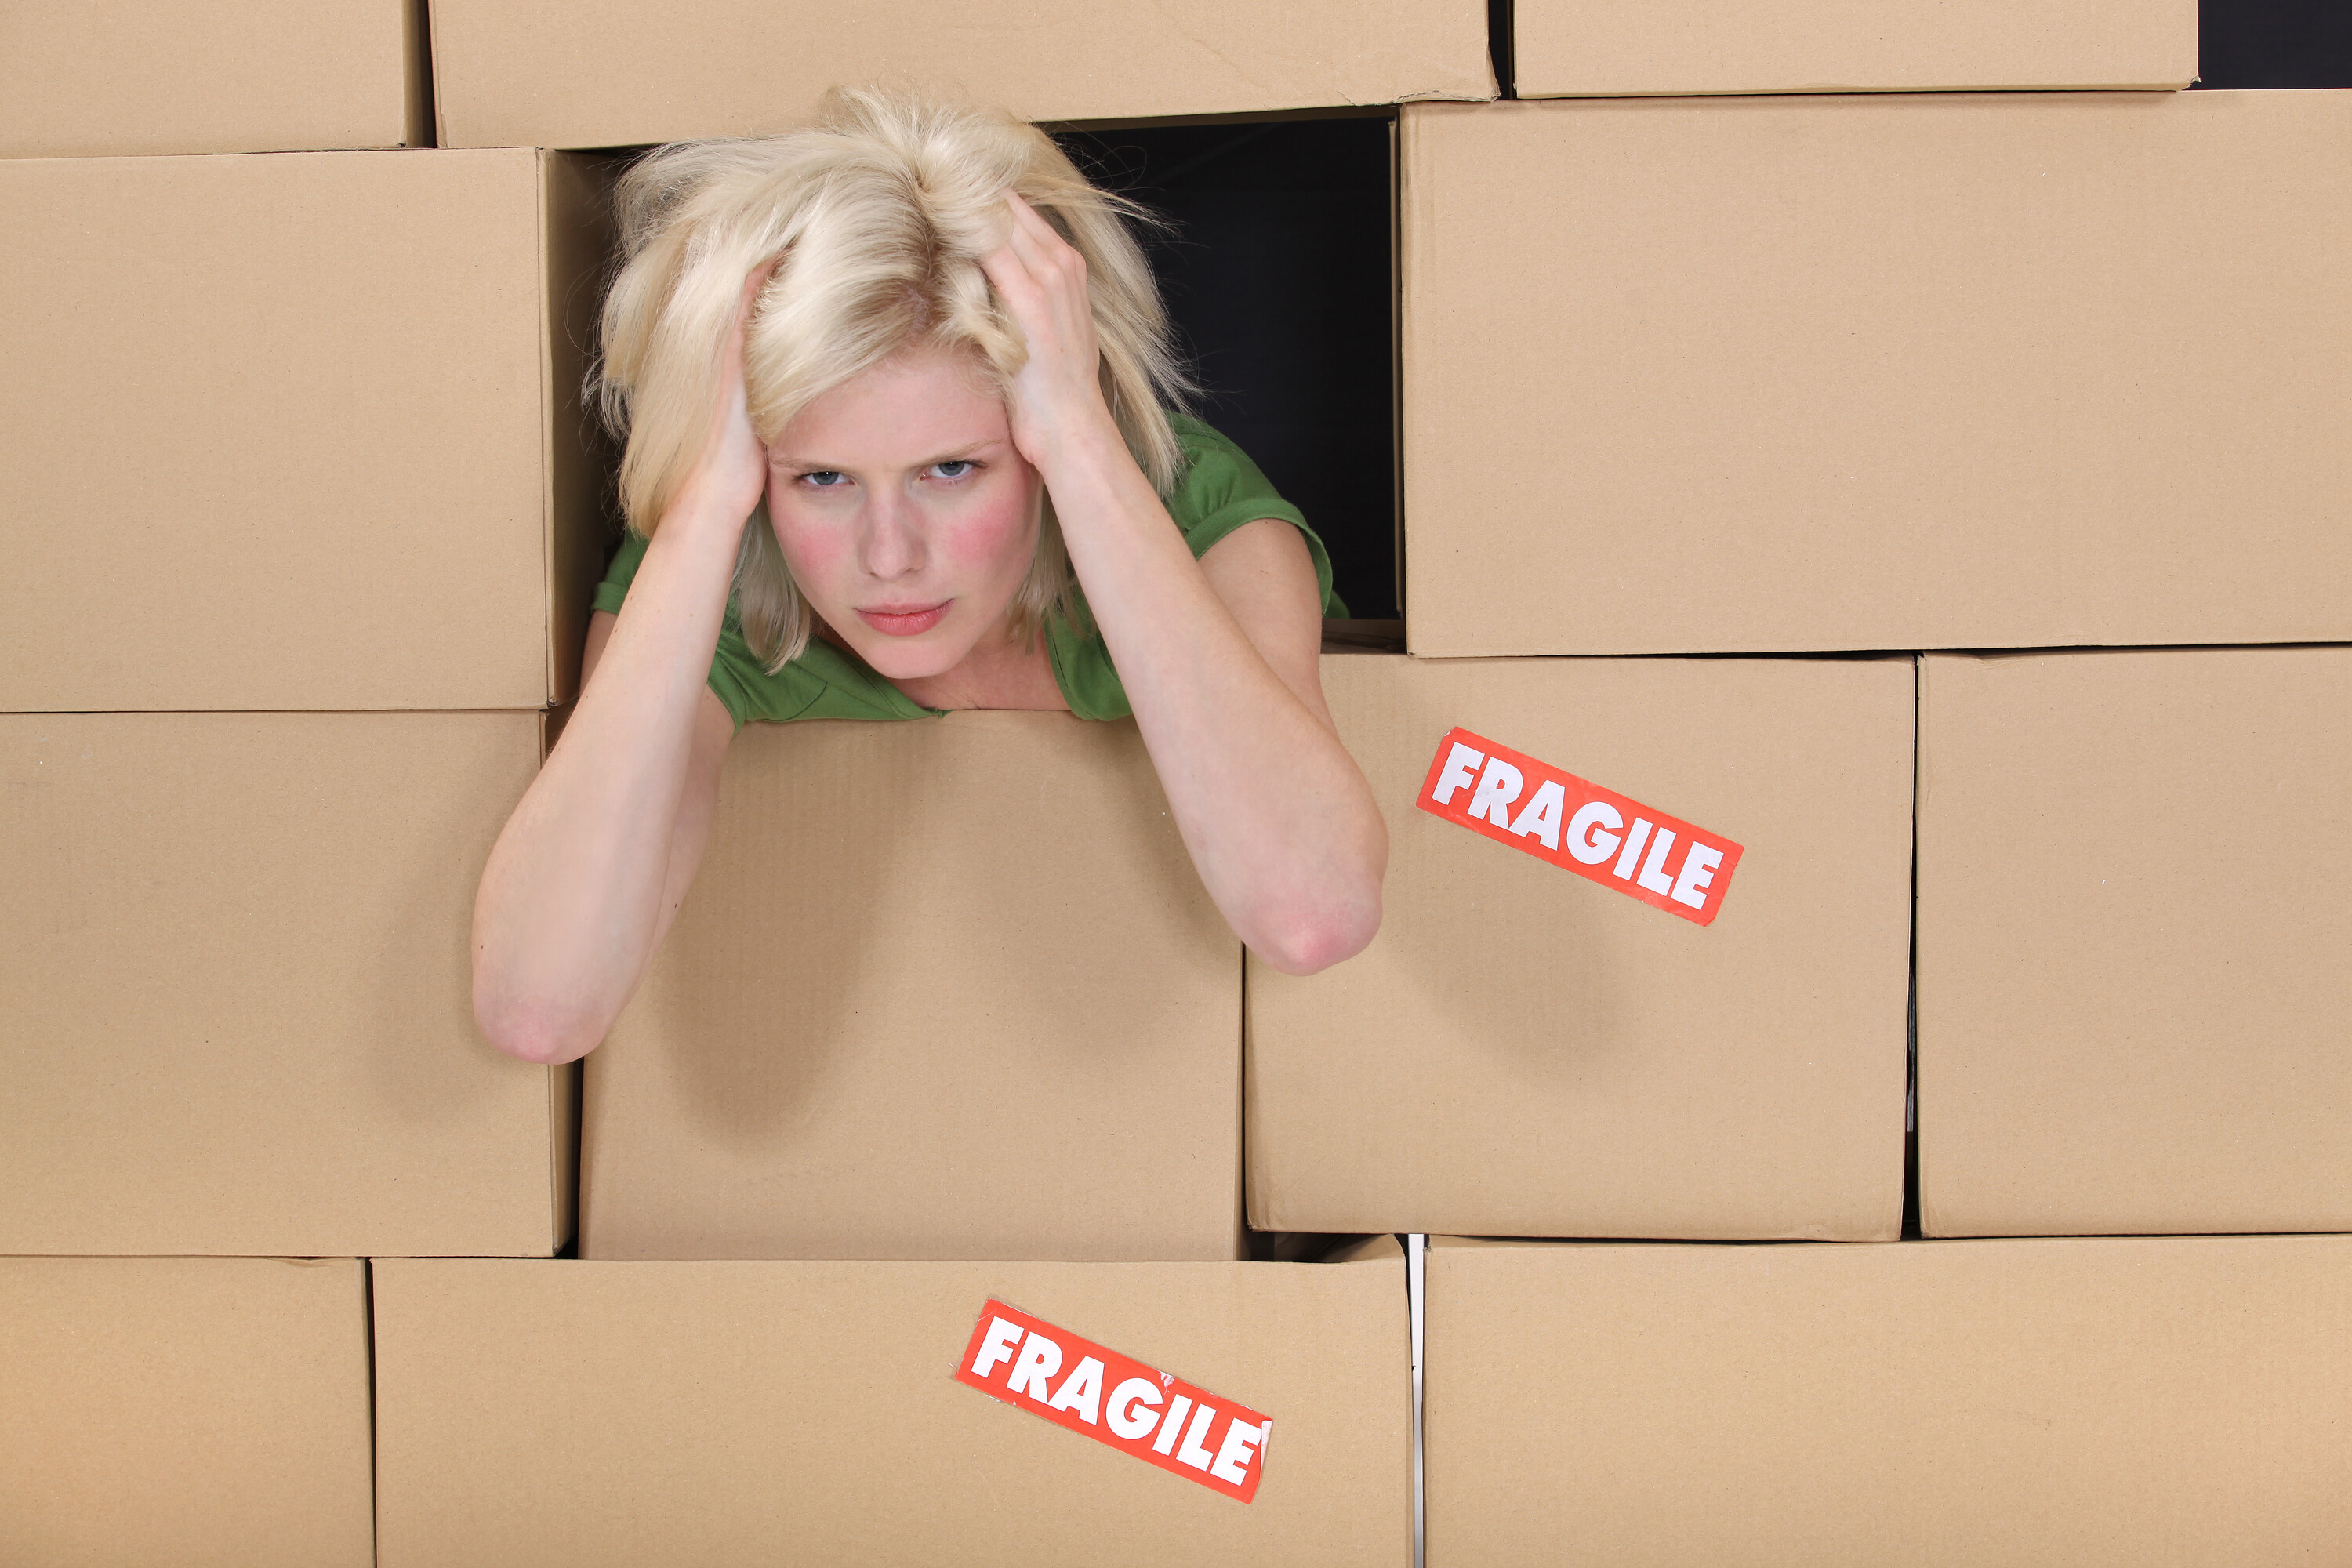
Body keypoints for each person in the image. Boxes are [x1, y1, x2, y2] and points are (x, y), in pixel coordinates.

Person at [472, 89, 1387, 1067]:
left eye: (952, 468)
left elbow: (1312, 916)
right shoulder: (719, 571)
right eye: (823, 477)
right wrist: (704, 497)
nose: (889, 555)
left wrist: (1078, 433)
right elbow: (540, 1008)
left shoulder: (1190, 507)